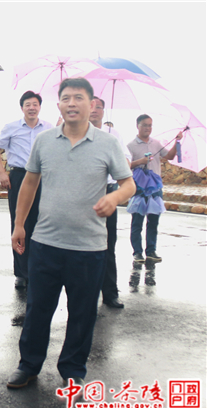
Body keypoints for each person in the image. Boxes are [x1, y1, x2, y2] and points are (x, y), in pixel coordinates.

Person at [6, 78, 135, 389]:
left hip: (89, 247)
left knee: (82, 313)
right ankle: (28, 365)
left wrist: (115, 198)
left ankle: (73, 369)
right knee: (37, 309)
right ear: (59, 105)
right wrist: (19, 224)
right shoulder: (45, 141)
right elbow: (29, 183)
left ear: (92, 105)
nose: (72, 103)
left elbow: (128, 184)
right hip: (46, 242)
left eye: (79, 97)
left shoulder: (108, 143)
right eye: (66, 98)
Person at [0, 91, 53, 289]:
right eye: (28, 104)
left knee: (40, 223)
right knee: (19, 223)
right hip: (19, 176)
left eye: (35, 104)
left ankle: (37, 269)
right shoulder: (11, 127)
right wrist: (2, 172)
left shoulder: (50, 128)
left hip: (42, 178)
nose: (32, 108)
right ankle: (21, 272)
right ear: (22, 108)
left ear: (40, 107)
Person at [90, 97, 132, 309]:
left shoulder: (112, 135)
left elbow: (126, 159)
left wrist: (117, 166)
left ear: (104, 111)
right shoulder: (75, 132)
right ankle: (86, 293)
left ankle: (110, 293)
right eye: (92, 106)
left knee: (108, 243)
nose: (95, 110)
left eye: (99, 107)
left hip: (107, 193)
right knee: (83, 245)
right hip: (84, 194)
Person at [127, 114, 182, 263]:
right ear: (137, 126)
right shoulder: (130, 146)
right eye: (145, 125)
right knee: (137, 222)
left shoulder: (156, 143)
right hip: (139, 188)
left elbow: (169, 156)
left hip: (155, 187)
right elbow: (126, 165)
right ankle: (137, 252)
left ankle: (151, 250)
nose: (148, 128)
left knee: (153, 221)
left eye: (150, 125)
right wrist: (141, 161)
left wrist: (176, 142)